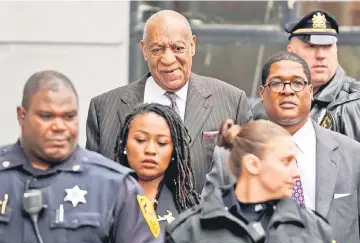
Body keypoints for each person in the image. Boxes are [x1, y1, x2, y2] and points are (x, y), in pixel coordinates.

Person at [205, 51, 360, 243]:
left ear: (311, 91)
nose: (287, 91)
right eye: (277, 83)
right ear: (262, 93)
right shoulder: (229, 155)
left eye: (297, 83)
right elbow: (209, 225)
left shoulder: (352, 154)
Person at [0, 71, 168, 243]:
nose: (59, 126)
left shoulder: (114, 185)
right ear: (21, 116)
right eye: (47, 116)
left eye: (69, 117)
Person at [86, 9, 252, 192]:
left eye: (178, 48)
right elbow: (95, 183)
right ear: (144, 50)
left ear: (193, 45)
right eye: (157, 49)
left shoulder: (232, 101)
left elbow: (248, 177)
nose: (168, 59)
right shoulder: (104, 108)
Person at [166, 119, 342, 243]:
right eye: (285, 161)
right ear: (253, 164)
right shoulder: (190, 231)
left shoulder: (314, 228)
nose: (296, 173)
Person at [251, 9, 360, 142]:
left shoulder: (354, 103)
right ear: (291, 52)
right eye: (311, 46)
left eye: (327, 46)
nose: (321, 55)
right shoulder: (266, 103)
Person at [114, 103, 200, 231]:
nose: (150, 150)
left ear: (174, 151)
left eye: (161, 143)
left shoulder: (191, 207)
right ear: (124, 145)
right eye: (141, 140)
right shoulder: (103, 200)